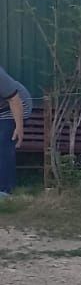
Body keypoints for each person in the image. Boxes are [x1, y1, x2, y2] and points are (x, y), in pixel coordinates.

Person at [0, 64, 32, 197]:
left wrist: (19, 127)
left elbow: (14, 98)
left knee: (4, 143)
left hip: (16, 105)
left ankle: (5, 191)